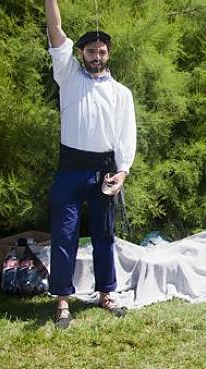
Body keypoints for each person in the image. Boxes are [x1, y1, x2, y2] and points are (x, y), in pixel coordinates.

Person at [45, 0, 137, 329]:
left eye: (101, 51)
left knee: (104, 235)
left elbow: (127, 136)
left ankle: (106, 293)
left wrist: (123, 172)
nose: (96, 56)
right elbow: (56, 31)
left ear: (108, 54)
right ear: (81, 53)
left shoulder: (122, 93)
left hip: (105, 172)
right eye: (91, 51)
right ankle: (62, 300)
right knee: (64, 235)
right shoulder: (68, 76)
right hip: (70, 169)